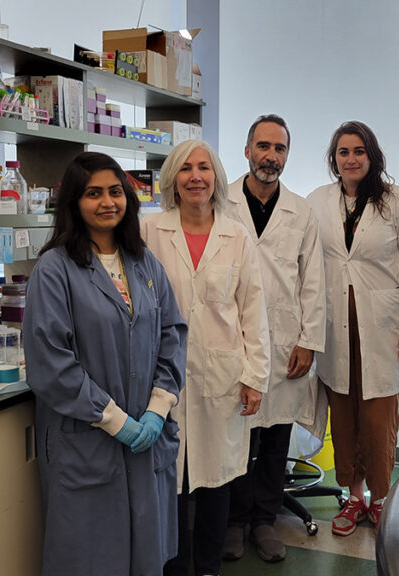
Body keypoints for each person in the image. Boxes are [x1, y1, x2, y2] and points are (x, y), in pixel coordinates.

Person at [24, 152, 187, 575]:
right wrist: (114, 419)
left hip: (147, 438)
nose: (107, 202)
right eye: (93, 193)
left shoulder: (144, 263)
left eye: (115, 191)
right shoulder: (54, 269)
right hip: (88, 439)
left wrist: (156, 409)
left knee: (146, 553)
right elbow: (51, 361)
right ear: (74, 203)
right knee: (90, 556)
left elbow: (173, 334)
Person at [141, 139, 271, 576]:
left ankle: (209, 568)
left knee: (216, 477)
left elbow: (253, 309)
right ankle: (173, 567)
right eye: (185, 169)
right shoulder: (150, 231)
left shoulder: (236, 236)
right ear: (173, 180)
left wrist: (255, 375)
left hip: (223, 375)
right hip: (162, 375)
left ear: (216, 177)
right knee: (170, 479)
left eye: (204, 168)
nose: (195, 176)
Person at [307, 121, 399, 537]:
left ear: (372, 156)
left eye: (359, 151)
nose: (351, 159)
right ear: (334, 159)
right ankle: (352, 497)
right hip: (334, 324)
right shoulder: (318, 202)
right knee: (343, 414)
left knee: (378, 417)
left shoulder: (396, 202)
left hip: (383, 325)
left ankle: (380, 499)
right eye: (343, 152)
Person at [222, 114, 326, 563]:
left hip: (285, 342)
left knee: (275, 435)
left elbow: (313, 282)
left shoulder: (300, 211)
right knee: (237, 434)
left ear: (287, 155)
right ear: (247, 151)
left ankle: (264, 521)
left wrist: (308, 341)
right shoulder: (220, 202)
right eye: (263, 146)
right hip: (234, 338)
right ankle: (234, 521)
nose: (271, 156)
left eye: (279, 148)